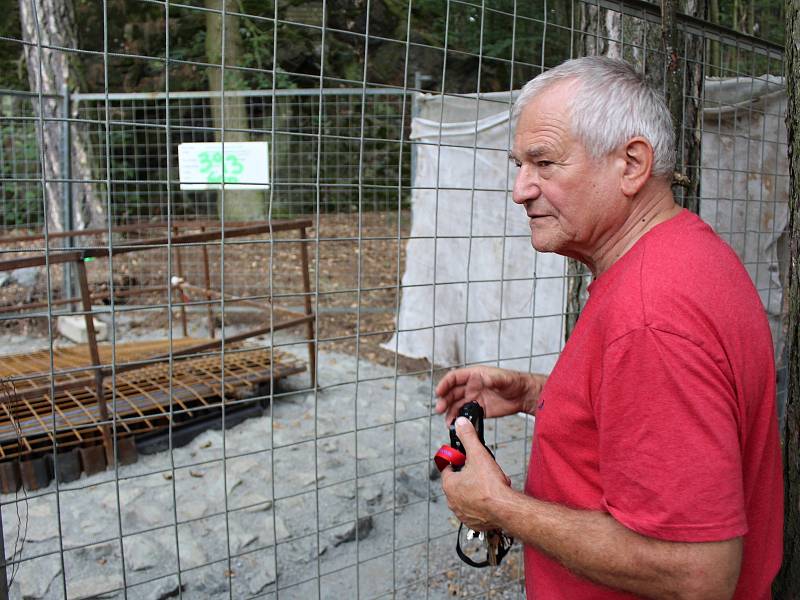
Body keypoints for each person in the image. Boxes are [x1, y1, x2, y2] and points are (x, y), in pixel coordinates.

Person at [435, 56, 783, 600]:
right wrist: (536, 393)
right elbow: (657, 423)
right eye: (519, 165)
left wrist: (497, 506)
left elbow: (699, 574)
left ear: (631, 164)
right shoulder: (684, 252)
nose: (520, 189)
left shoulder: (650, 317)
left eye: (544, 162)